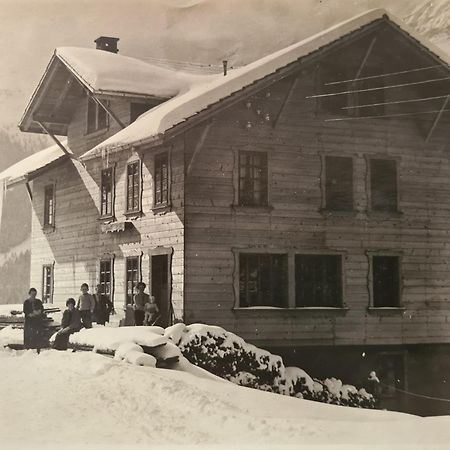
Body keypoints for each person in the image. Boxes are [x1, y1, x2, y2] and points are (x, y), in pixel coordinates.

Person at [23, 288, 45, 353]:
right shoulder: (26, 302)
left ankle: (38, 349)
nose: (33, 296)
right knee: (29, 335)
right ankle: (29, 350)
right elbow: (26, 311)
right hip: (29, 322)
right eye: (32, 294)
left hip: (37, 321)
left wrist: (38, 312)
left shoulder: (38, 302)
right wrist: (32, 313)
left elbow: (41, 309)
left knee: (38, 335)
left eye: (35, 294)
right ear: (29, 294)